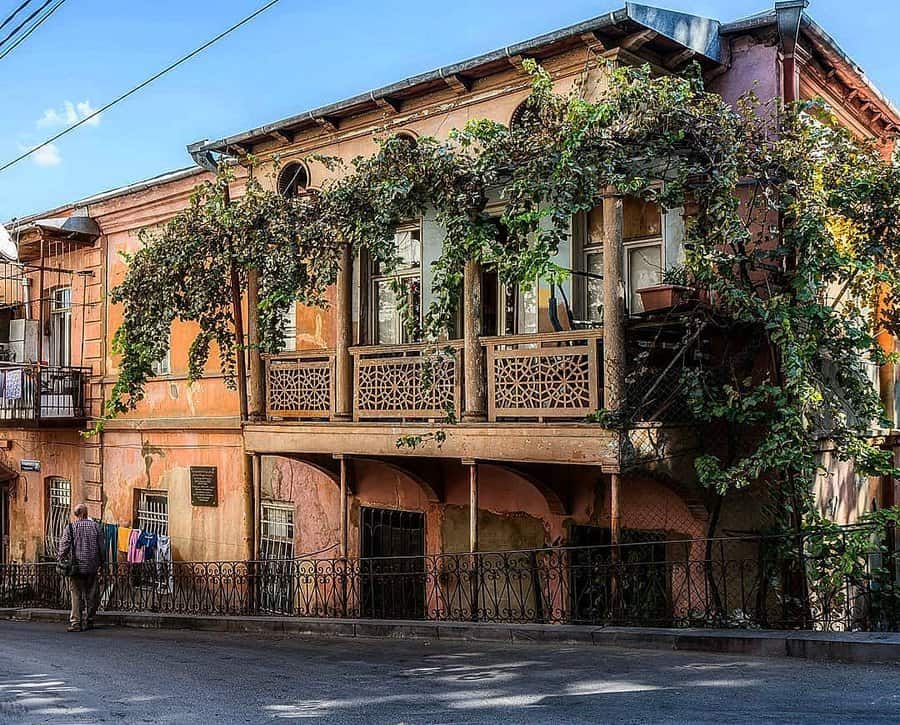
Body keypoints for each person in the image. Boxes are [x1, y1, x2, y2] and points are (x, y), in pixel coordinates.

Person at [57, 503, 104, 632]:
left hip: (75, 568)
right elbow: (102, 548)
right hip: (92, 567)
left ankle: (76, 623)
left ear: (78, 515)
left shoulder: (70, 528)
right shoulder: (96, 527)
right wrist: (102, 564)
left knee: (76, 595)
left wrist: (60, 560)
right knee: (92, 595)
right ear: (85, 513)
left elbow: (63, 547)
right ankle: (89, 620)